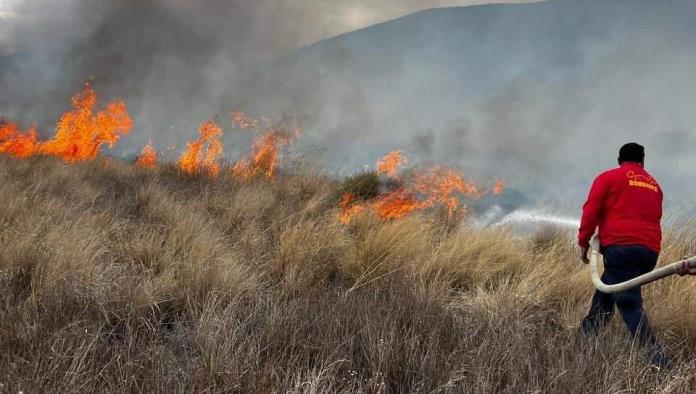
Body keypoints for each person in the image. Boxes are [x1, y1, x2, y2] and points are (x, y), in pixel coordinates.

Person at [577, 142, 668, 367]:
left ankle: (660, 363)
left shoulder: (609, 178)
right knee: (607, 291)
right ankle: (585, 338)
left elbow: (591, 210)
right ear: (643, 160)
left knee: (629, 304)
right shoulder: (654, 185)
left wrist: (583, 241)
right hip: (649, 252)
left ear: (619, 160)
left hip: (621, 249)